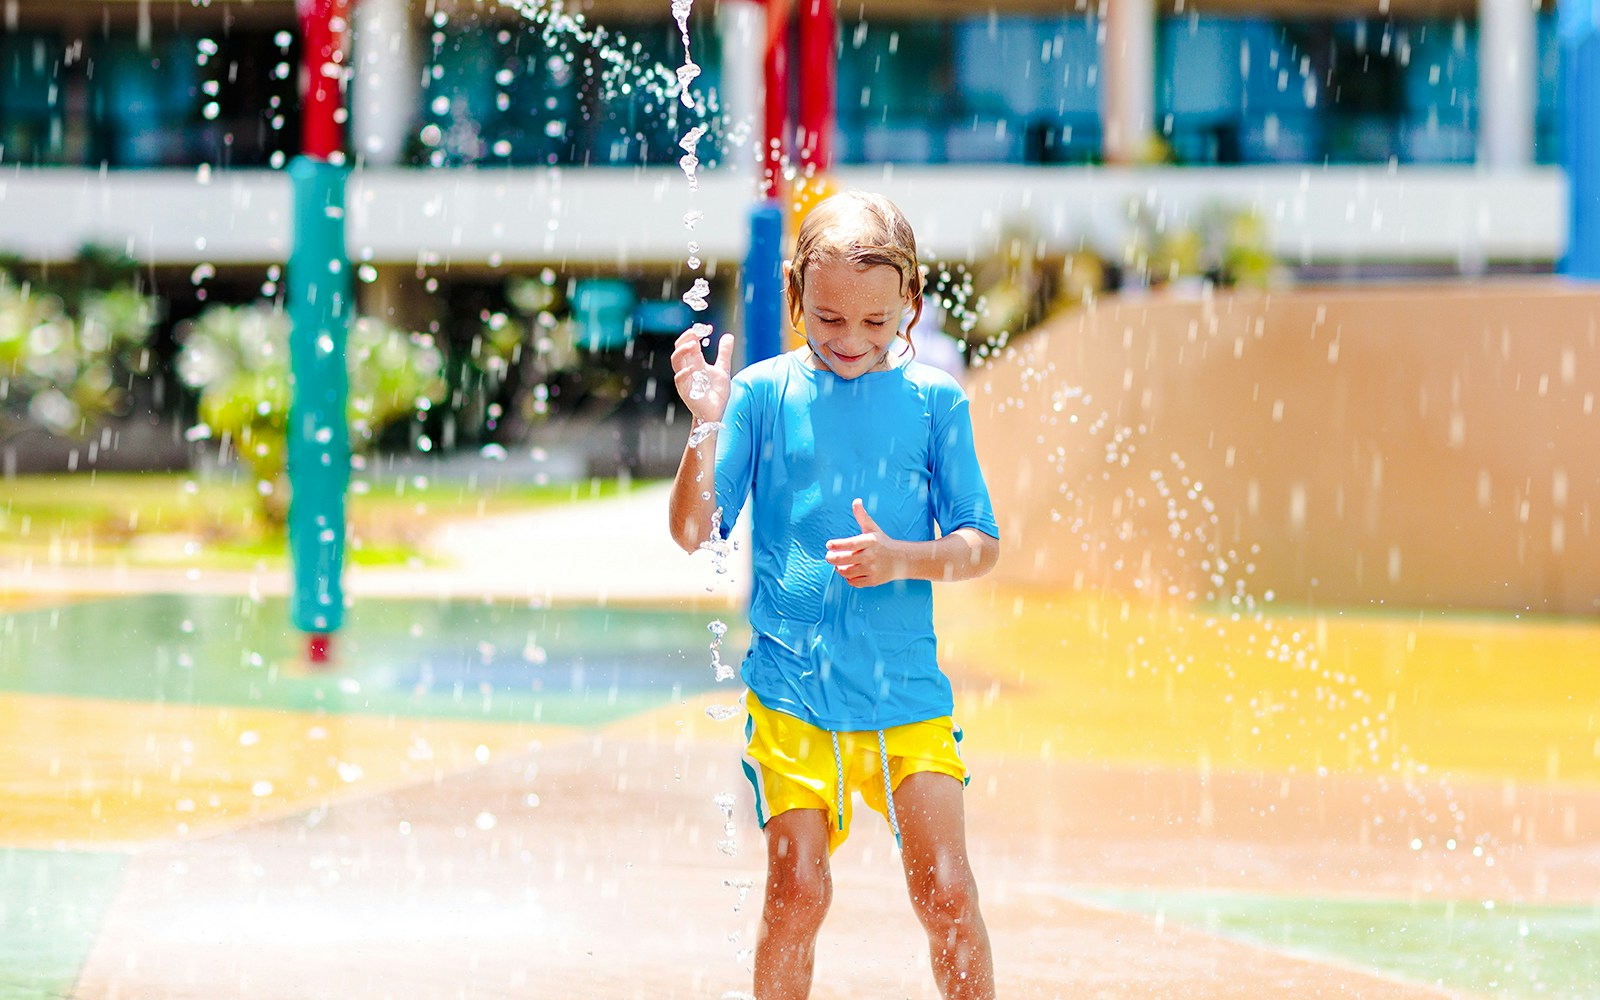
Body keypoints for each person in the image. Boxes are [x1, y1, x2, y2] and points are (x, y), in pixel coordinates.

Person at [667, 191, 1001, 1000]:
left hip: (905, 695)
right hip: (792, 694)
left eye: (876, 323)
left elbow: (979, 546)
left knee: (947, 893)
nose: (851, 341)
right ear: (794, 297)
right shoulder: (758, 394)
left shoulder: (934, 403)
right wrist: (705, 428)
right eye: (828, 320)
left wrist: (903, 559)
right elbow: (693, 530)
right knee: (798, 892)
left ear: (910, 303)